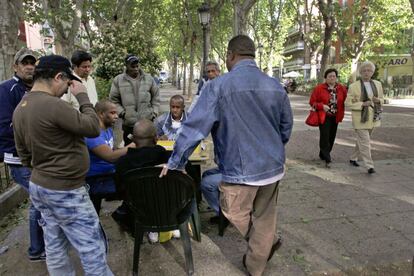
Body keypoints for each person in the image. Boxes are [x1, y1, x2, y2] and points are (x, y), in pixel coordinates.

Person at [160, 35, 293, 276]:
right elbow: (286, 128)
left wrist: (175, 162)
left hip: (240, 169)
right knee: (264, 218)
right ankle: (257, 264)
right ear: (252, 55)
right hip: (273, 166)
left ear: (231, 56)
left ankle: (263, 246)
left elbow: (194, 129)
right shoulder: (275, 85)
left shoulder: (218, 87)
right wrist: (273, 149)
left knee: (232, 210)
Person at [13, 54, 113, 276]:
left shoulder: (21, 107)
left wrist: (45, 170)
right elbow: (92, 127)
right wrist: (83, 96)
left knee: (55, 244)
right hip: (66, 190)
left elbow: (23, 154)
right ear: (58, 76)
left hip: (41, 186)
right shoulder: (53, 105)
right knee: (92, 247)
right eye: (68, 84)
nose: (68, 90)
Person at [0, 48, 45, 261]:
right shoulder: (6, 90)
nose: (30, 66)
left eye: (32, 62)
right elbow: (5, 127)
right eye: (25, 63)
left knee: (40, 199)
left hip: (39, 156)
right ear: (15, 66)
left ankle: (42, 245)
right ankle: (37, 249)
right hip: (19, 158)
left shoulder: (37, 88)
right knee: (39, 199)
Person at [115, 119, 181, 243]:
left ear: (132, 139)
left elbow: (119, 193)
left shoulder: (122, 162)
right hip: (167, 208)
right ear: (156, 138)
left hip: (139, 211)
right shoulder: (167, 157)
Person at [85, 99, 135, 214]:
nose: (117, 116)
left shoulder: (108, 129)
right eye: (112, 113)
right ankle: (123, 216)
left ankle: (124, 215)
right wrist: (132, 146)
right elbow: (111, 156)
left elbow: (113, 151)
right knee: (135, 187)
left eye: (116, 113)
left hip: (108, 173)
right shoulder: (93, 134)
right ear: (101, 114)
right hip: (95, 180)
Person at [109, 54, 160, 145]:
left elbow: (156, 96)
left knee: (148, 149)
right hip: (129, 125)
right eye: (133, 66)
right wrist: (123, 113)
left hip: (147, 123)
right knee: (130, 149)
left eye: (137, 66)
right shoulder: (118, 80)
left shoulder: (148, 79)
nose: (136, 68)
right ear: (126, 66)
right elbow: (113, 100)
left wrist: (154, 112)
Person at [346, 61, 384, 174]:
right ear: (361, 72)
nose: (367, 73)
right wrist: (362, 104)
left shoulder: (378, 84)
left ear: (372, 72)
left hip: (373, 117)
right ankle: (369, 166)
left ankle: (353, 158)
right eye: (364, 71)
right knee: (365, 142)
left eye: (369, 71)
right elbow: (347, 103)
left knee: (362, 141)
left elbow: (382, 99)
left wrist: (379, 100)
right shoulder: (353, 86)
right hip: (360, 118)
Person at [309, 68, 347, 168]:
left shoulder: (341, 88)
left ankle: (323, 153)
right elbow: (312, 102)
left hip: (336, 116)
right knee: (325, 136)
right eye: (330, 76)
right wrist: (322, 106)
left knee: (332, 137)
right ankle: (327, 157)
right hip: (324, 116)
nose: (332, 78)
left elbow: (345, 100)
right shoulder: (319, 88)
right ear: (325, 78)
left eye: (334, 76)